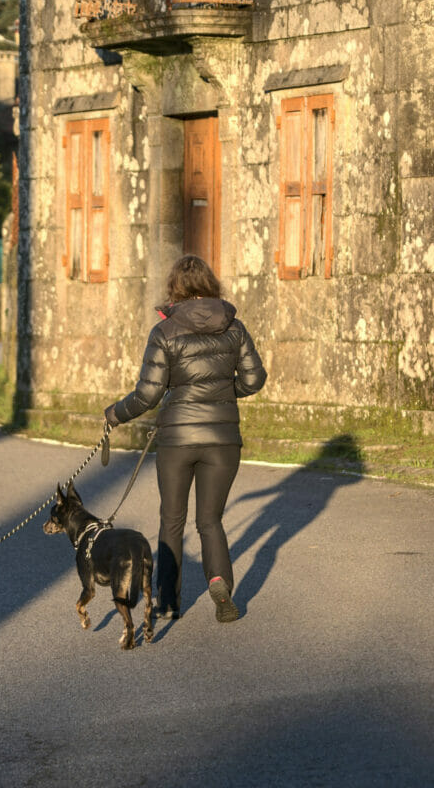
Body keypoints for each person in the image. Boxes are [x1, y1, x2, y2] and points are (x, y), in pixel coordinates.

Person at [104, 255, 266, 623]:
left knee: (171, 520)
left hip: (177, 438)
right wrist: (224, 394)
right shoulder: (234, 327)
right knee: (210, 521)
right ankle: (220, 582)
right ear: (211, 285)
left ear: (174, 289)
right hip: (223, 439)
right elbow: (255, 379)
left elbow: (147, 395)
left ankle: (167, 602)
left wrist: (114, 414)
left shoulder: (164, 332)